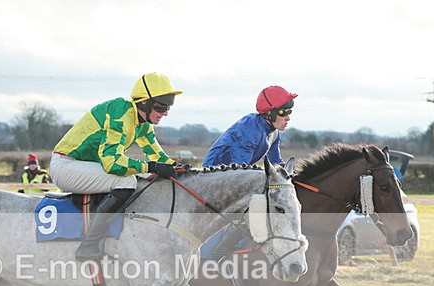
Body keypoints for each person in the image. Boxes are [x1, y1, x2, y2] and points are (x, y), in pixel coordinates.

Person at [51, 72, 182, 261]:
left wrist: (179, 169)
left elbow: (158, 157)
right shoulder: (120, 112)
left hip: (87, 167)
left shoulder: (143, 123)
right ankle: (89, 245)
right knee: (127, 180)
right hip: (66, 166)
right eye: (161, 107)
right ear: (143, 102)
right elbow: (111, 162)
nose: (165, 113)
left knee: (144, 180)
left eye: (168, 108)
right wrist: (150, 167)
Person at [203, 85, 298, 168]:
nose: (288, 118)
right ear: (269, 112)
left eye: (289, 112)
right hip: (212, 176)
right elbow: (241, 169)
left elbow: (276, 162)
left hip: (233, 174)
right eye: (283, 112)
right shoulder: (250, 131)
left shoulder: (273, 132)